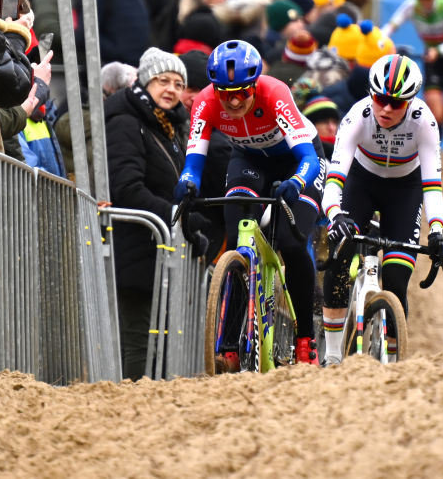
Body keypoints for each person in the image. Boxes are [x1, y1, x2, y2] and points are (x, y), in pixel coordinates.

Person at [173, 39, 324, 366]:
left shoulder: (275, 93)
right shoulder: (205, 102)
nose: (235, 101)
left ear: (255, 85)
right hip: (249, 159)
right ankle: (229, 341)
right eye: (226, 94)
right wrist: (187, 183)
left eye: (242, 91)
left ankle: (305, 339)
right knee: (238, 232)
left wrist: (297, 182)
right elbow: (193, 163)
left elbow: (308, 157)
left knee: (292, 243)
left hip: (297, 160)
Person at [320, 54, 443, 365]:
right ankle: (332, 356)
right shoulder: (356, 117)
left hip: (404, 191)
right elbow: (334, 181)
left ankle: (395, 364)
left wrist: (437, 231)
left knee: (396, 278)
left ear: (412, 101)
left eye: (397, 103)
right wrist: (335, 215)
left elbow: (432, 186)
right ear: (370, 94)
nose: (387, 109)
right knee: (338, 261)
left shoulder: (425, 122)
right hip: (361, 184)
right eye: (381, 99)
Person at [105, 47, 200, 379]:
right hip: (135, 244)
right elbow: (127, 187)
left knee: (158, 340)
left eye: (177, 83)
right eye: (162, 80)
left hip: (157, 246)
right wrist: (177, 216)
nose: (171, 89)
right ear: (145, 82)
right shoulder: (126, 121)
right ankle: (130, 407)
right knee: (139, 341)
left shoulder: (168, 125)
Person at [383, 0, 443, 169]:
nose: (426, 2)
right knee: (436, 114)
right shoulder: (411, 7)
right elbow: (389, 28)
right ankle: (432, 152)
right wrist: (379, 43)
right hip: (432, 60)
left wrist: (438, 49)